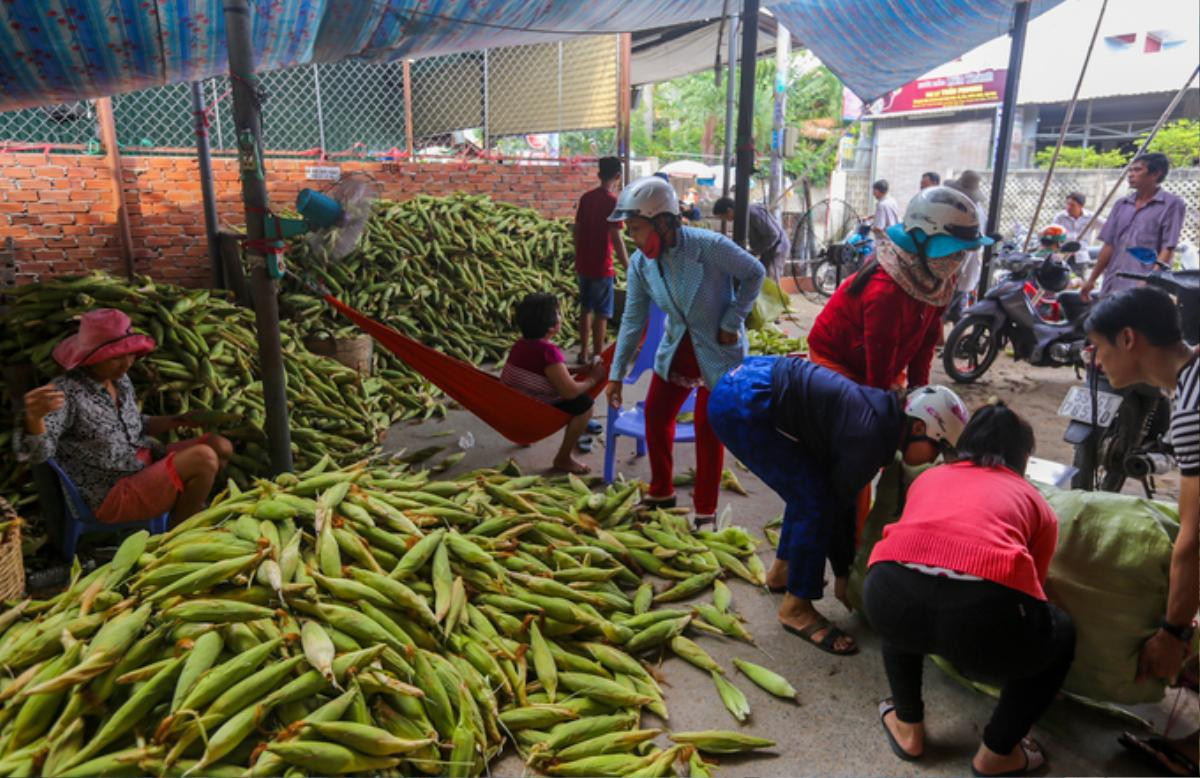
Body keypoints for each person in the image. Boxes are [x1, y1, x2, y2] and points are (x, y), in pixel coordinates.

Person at [864, 403, 1075, 776]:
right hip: (985, 622)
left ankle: (908, 725)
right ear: (1023, 457)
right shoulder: (1036, 503)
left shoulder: (928, 477)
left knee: (906, 594)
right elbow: (1033, 593)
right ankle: (997, 751)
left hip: (885, 593)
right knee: (1061, 632)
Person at [708, 354, 967, 655]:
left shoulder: (880, 416)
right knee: (814, 503)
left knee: (809, 488)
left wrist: (843, 567)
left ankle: (782, 573)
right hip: (742, 404)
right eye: (939, 449)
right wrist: (844, 573)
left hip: (748, 378)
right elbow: (836, 504)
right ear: (920, 429)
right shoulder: (870, 437)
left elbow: (840, 489)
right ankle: (796, 608)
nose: (934, 459)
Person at [1084, 286, 1198, 775]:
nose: (1095, 359)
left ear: (1128, 339)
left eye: (1100, 346)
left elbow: (1194, 540)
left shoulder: (1193, 410)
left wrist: (1172, 634)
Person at [606, 177, 764, 528]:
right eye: (629, 230)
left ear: (663, 221)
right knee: (656, 416)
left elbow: (755, 272)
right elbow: (632, 320)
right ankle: (661, 489)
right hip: (677, 348)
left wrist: (732, 319)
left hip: (719, 350)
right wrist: (616, 374)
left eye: (636, 229)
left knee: (709, 429)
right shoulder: (640, 264)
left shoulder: (709, 246)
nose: (633, 238)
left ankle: (705, 509)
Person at [17, 309, 233, 527]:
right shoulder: (65, 393)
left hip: (144, 465)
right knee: (203, 457)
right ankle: (178, 535)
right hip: (111, 491)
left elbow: (135, 424)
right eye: (116, 357)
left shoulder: (119, 381)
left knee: (220, 446)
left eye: (129, 354)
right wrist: (35, 418)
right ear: (89, 358)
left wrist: (178, 420)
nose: (127, 363)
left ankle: (186, 509)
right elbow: (39, 454)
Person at [807, 185, 992, 390]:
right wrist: (883, 404)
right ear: (922, 238)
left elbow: (925, 342)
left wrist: (919, 391)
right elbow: (880, 357)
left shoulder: (940, 283)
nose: (957, 259)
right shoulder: (886, 291)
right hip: (837, 362)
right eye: (951, 250)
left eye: (962, 252)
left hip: (883, 360)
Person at [501, 293, 607, 475]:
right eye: (558, 313)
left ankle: (524, 434)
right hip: (539, 405)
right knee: (585, 406)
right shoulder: (549, 352)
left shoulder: (521, 344)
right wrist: (593, 379)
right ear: (552, 327)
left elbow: (547, 370)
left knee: (574, 390)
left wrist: (579, 370)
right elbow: (570, 392)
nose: (561, 315)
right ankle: (563, 458)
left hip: (516, 402)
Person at [1081, 153, 1186, 301]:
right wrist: (1091, 280)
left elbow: (1168, 247)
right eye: (1130, 170)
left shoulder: (1172, 204)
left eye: (1137, 170)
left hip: (1144, 288)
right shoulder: (1121, 205)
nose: (1131, 175)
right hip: (1113, 283)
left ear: (1156, 174)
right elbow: (1109, 245)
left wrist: (1150, 279)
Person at [573, 156, 630, 364]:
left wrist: (578, 254)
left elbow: (577, 230)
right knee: (602, 313)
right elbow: (616, 237)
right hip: (602, 266)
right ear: (617, 176)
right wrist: (627, 266)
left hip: (583, 264)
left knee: (585, 309)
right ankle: (597, 355)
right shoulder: (613, 202)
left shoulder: (586, 198)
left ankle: (583, 352)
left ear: (598, 175)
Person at [711, 196, 790, 284]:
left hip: (777, 247)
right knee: (761, 277)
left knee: (770, 279)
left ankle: (775, 297)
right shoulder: (742, 216)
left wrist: (754, 252)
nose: (724, 220)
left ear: (729, 211)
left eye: (723, 217)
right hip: (768, 248)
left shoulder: (752, 213)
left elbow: (773, 235)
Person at [945, 171, 988, 320]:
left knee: (944, 309)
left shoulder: (971, 213)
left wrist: (956, 272)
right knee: (958, 309)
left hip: (961, 269)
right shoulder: (975, 210)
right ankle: (957, 340)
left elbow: (970, 247)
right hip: (965, 270)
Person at [1053, 192, 1105, 268]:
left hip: (1081, 257)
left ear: (1081, 206)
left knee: (1079, 278)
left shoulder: (1091, 217)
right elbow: (1053, 235)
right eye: (1067, 204)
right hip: (1062, 256)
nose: (1068, 207)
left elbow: (1108, 226)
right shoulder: (1060, 217)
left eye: (1072, 205)